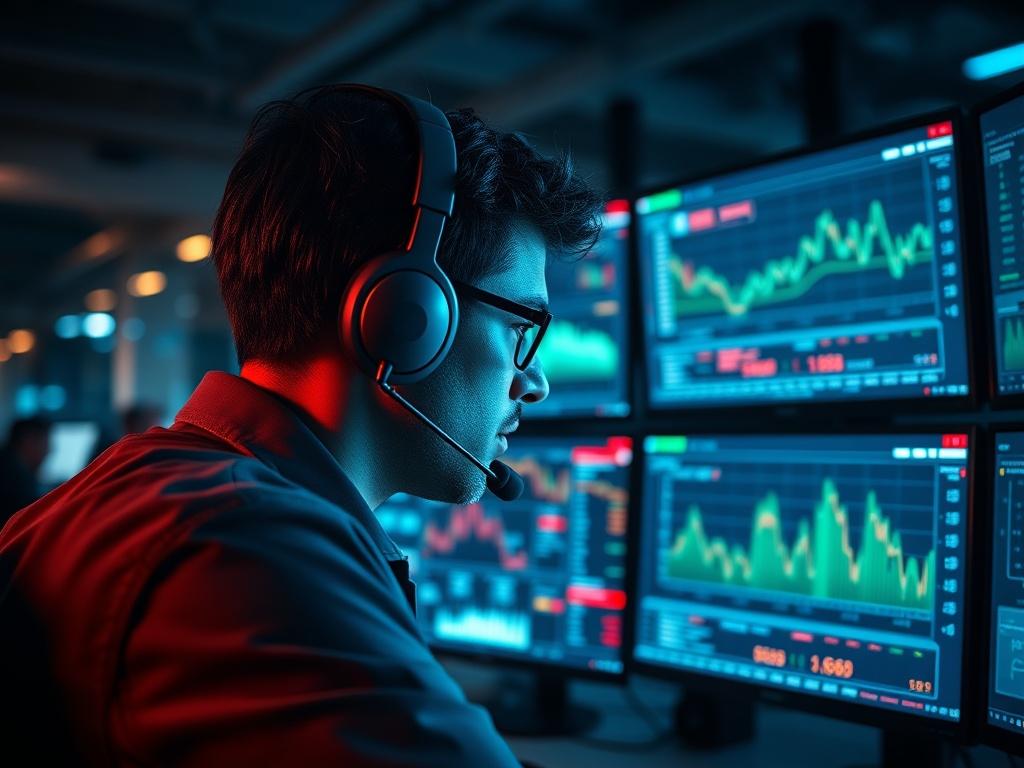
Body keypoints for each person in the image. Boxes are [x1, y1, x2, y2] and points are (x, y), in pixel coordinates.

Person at [0, 84, 602, 765]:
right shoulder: (247, 549)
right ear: (405, 316)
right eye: (522, 327)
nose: (537, 381)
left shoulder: (144, 488)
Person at [0, 416, 51, 527]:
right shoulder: (16, 480)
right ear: (29, 441)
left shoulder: (8, 465)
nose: (48, 451)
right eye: (46, 443)